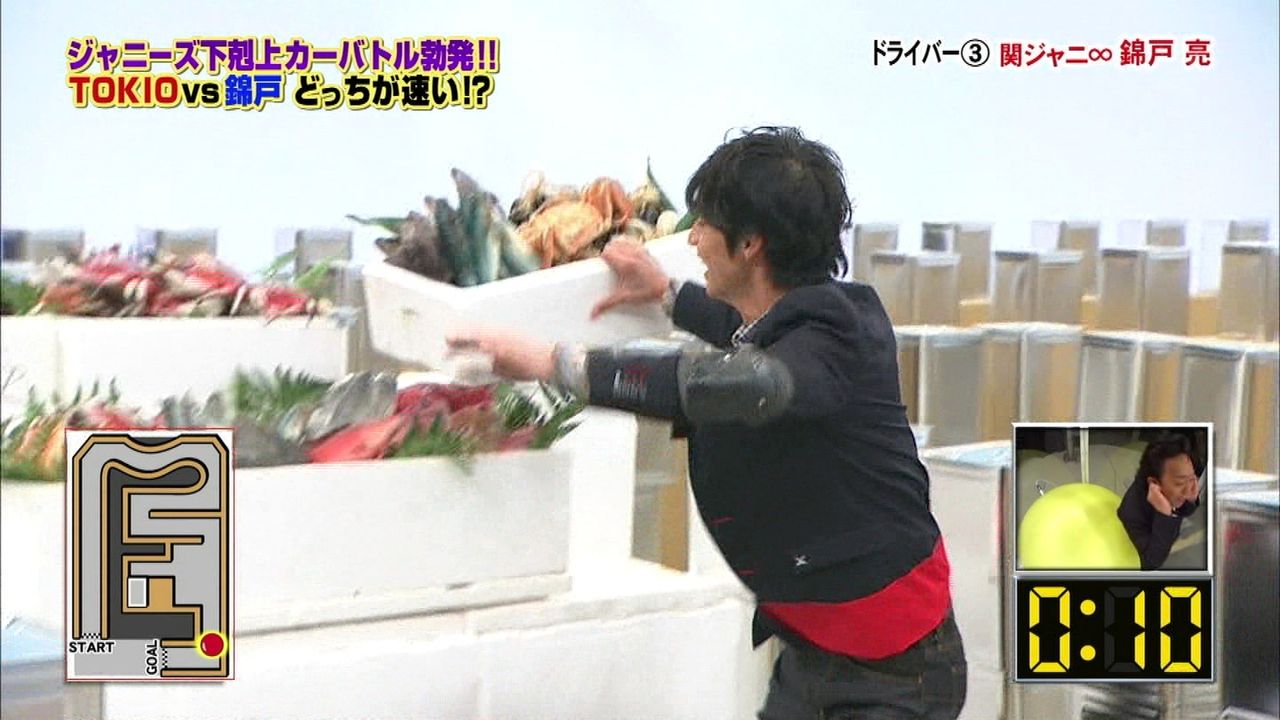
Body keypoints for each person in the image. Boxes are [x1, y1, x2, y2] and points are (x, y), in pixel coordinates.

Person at [447, 126, 966, 719]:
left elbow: (741, 380)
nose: (692, 238)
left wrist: (551, 362)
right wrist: (667, 294)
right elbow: (750, 333)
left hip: (896, 673)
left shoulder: (833, 343)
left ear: (750, 244)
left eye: (706, 225)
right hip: (814, 653)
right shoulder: (802, 318)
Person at [1116, 433, 1203, 571]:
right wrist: (1164, 514)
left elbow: (1184, 509)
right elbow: (1150, 562)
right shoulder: (1132, 513)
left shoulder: (1173, 491)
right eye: (1180, 483)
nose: (1189, 490)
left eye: (1192, 479)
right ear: (1154, 483)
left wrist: (1191, 500)